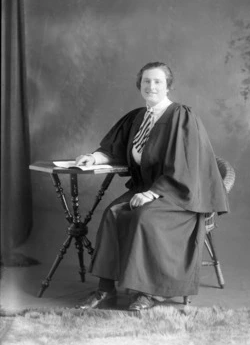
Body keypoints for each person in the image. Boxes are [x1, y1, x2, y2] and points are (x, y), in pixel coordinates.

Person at [75, 61, 229, 311]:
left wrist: (153, 193)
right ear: (139, 85)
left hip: (180, 193)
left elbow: (185, 166)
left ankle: (149, 292)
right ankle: (105, 289)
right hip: (146, 189)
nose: (151, 86)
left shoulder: (181, 116)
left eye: (157, 81)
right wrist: (94, 158)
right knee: (113, 213)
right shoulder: (136, 117)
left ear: (168, 86)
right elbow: (113, 149)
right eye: (146, 81)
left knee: (145, 218)